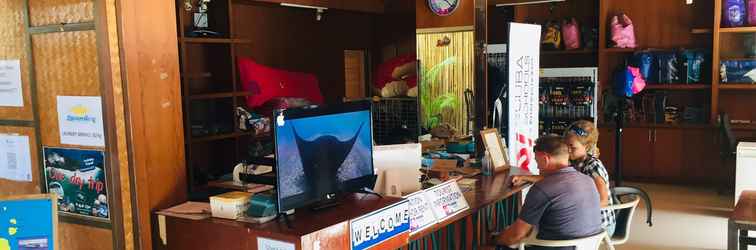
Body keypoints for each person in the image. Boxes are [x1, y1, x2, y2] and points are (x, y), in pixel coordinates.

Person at [494, 135, 603, 250]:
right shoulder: (587, 180)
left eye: (537, 161)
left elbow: (516, 235)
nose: (537, 166)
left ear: (545, 159)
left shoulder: (542, 188)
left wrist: (495, 239)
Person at [512, 120, 616, 237]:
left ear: (586, 147)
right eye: (566, 146)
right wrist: (525, 177)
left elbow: (603, 201)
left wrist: (573, 210)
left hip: (601, 226)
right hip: (585, 224)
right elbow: (555, 182)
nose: (568, 150)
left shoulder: (593, 166)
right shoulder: (574, 162)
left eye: (572, 147)